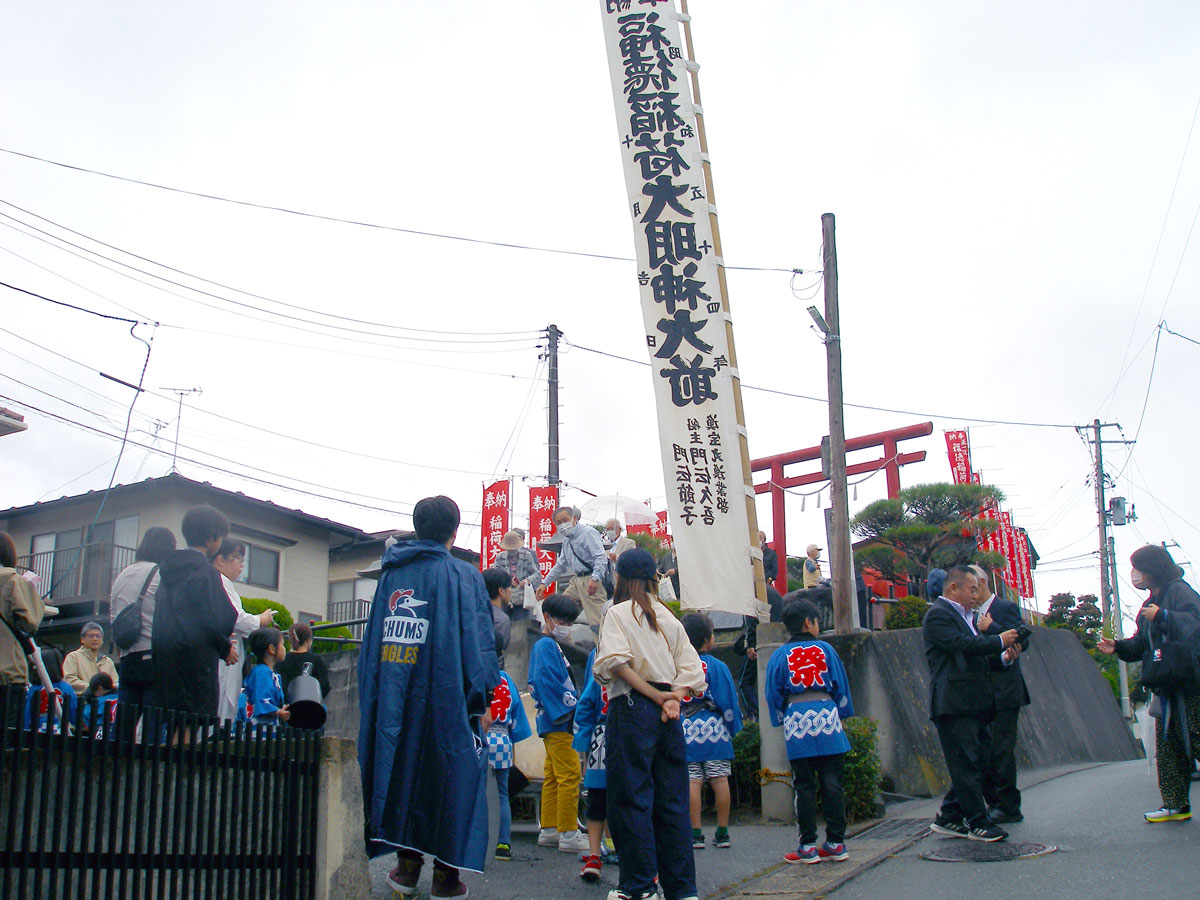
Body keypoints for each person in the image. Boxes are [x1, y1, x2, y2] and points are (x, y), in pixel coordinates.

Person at [358, 496, 499, 899]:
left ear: (418, 528)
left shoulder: (391, 575)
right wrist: (484, 697)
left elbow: (372, 645)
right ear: (454, 531)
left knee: (400, 770)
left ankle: (406, 867)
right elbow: (478, 641)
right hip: (447, 695)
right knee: (451, 776)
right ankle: (445, 874)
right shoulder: (463, 575)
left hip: (394, 697)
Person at [593, 549, 706, 900]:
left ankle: (640, 887)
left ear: (620, 578)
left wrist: (656, 697)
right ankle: (682, 889)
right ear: (654, 578)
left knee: (631, 797)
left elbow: (617, 664)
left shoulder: (617, 613)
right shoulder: (669, 618)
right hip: (669, 712)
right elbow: (692, 669)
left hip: (632, 705)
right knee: (671, 799)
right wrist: (673, 697)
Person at [1099, 544, 1200, 822]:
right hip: (1165, 684)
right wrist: (1118, 646)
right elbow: (1142, 644)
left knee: (1196, 737)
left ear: (1152, 569)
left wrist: (1164, 616)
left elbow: (1195, 622)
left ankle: (1175, 804)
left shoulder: (1180, 591)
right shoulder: (1148, 604)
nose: (1135, 574)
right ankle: (1175, 804)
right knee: (1169, 747)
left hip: (1191, 682)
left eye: (1138, 567)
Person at [924, 566, 1019, 843]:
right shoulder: (939, 616)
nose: (977, 595)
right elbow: (962, 645)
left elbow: (975, 655)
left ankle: (950, 816)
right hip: (953, 703)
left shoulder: (967, 617)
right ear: (954, 589)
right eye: (972, 589)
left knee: (977, 761)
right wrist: (998, 640)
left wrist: (1004, 658)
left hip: (973, 702)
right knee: (966, 763)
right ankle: (978, 822)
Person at [767, 598, 855, 864]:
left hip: (797, 719)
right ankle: (836, 842)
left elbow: (773, 693)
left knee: (803, 785)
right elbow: (841, 685)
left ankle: (807, 846)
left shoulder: (780, 655)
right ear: (809, 622)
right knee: (833, 782)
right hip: (827, 715)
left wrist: (781, 716)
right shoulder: (826, 649)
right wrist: (842, 712)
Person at [152, 505, 238, 721]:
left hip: (166, 658)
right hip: (196, 662)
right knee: (190, 727)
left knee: (172, 722)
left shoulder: (168, 572)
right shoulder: (205, 572)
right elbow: (218, 618)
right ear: (211, 538)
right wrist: (225, 647)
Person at [529, 592, 589, 853]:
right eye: (561, 620)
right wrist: (571, 709)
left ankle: (551, 829)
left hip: (551, 721)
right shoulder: (546, 646)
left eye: (569, 621)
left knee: (554, 775)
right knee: (570, 775)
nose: (565, 625)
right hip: (559, 720)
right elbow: (548, 682)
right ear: (547, 618)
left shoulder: (547, 645)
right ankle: (568, 832)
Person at [970, 564, 1030, 824]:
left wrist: (992, 627)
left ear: (982, 583)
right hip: (981, 691)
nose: (969, 594)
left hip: (1005, 689)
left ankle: (1008, 805)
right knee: (983, 750)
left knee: (1002, 750)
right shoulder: (967, 613)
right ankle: (993, 802)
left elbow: (1022, 639)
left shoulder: (1004, 608)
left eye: (972, 588)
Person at [681, 614, 742, 851]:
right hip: (714, 726)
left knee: (692, 781)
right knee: (719, 779)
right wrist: (733, 727)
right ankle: (723, 831)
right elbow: (729, 701)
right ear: (707, 639)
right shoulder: (718, 667)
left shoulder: (678, 665)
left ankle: (696, 833)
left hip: (686, 727)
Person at [109, 526, 175, 711]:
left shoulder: (122, 575)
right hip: (152, 656)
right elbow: (168, 616)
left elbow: (113, 616)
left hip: (126, 659)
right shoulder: (160, 574)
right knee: (152, 727)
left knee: (124, 725)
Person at [211, 539, 275, 722]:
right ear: (220, 560)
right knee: (221, 706)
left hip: (224, 657)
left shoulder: (220, 582)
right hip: (223, 657)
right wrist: (261, 620)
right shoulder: (220, 582)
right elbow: (235, 618)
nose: (242, 565)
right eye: (237, 559)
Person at [573, 648, 613, 881]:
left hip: (603, 739)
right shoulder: (600, 657)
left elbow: (585, 706)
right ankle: (597, 854)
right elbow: (586, 704)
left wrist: (584, 740)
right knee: (605, 799)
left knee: (600, 799)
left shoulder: (599, 660)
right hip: (617, 738)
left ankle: (597, 854)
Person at [485, 668, 532, 862]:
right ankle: (503, 843)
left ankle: (481, 842)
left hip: (482, 737)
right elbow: (518, 714)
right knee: (502, 794)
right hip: (503, 739)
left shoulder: (478, 672)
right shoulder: (506, 680)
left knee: (479, 793)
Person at [0, 530, 45, 726]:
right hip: (7, 673)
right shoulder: (13, 581)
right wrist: (30, 591)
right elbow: (30, 622)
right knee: (7, 740)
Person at [539, 506, 609, 627]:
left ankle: (604, 645)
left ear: (574, 518)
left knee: (598, 623)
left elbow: (600, 556)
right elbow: (560, 564)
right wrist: (545, 583)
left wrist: (595, 578)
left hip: (590, 579)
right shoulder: (567, 540)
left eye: (565, 520)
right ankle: (563, 642)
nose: (562, 524)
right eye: (559, 522)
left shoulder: (587, 533)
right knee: (560, 611)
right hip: (576, 581)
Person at [243, 627, 290, 729]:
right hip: (261, 727)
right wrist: (277, 712)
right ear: (272, 649)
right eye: (282, 644)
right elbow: (261, 700)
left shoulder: (266, 672)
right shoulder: (262, 672)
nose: (284, 648)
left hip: (269, 725)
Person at [23, 646, 76, 734]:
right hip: (61, 732)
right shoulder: (66, 688)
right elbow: (73, 711)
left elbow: (27, 715)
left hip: (37, 732)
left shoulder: (33, 689)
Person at [276, 623, 332, 698]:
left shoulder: (281, 660)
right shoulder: (316, 660)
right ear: (308, 640)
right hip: (311, 705)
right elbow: (325, 686)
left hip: (286, 707)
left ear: (290, 639)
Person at [63, 622, 119, 695]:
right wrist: (94, 689)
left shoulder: (107, 661)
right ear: (82, 639)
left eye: (98, 636)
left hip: (105, 703)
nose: (95, 639)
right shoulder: (73, 657)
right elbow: (69, 680)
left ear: (102, 640)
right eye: (91, 636)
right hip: (83, 703)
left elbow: (115, 682)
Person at [494, 530, 542, 610]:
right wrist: (507, 581)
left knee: (521, 622)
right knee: (504, 621)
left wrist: (527, 580)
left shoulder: (527, 555)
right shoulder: (500, 557)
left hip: (523, 598)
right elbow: (495, 576)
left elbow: (536, 574)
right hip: (504, 598)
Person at [482, 568, 513, 666]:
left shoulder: (474, 612)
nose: (511, 592)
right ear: (501, 591)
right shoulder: (502, 619)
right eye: (510, 587)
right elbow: (497, 656)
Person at [80, 672, 118, 739]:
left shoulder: (100, 701)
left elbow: (86, 715)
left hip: (103, 731)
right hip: (117, 732)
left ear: (99, 688)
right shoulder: (119, 697)